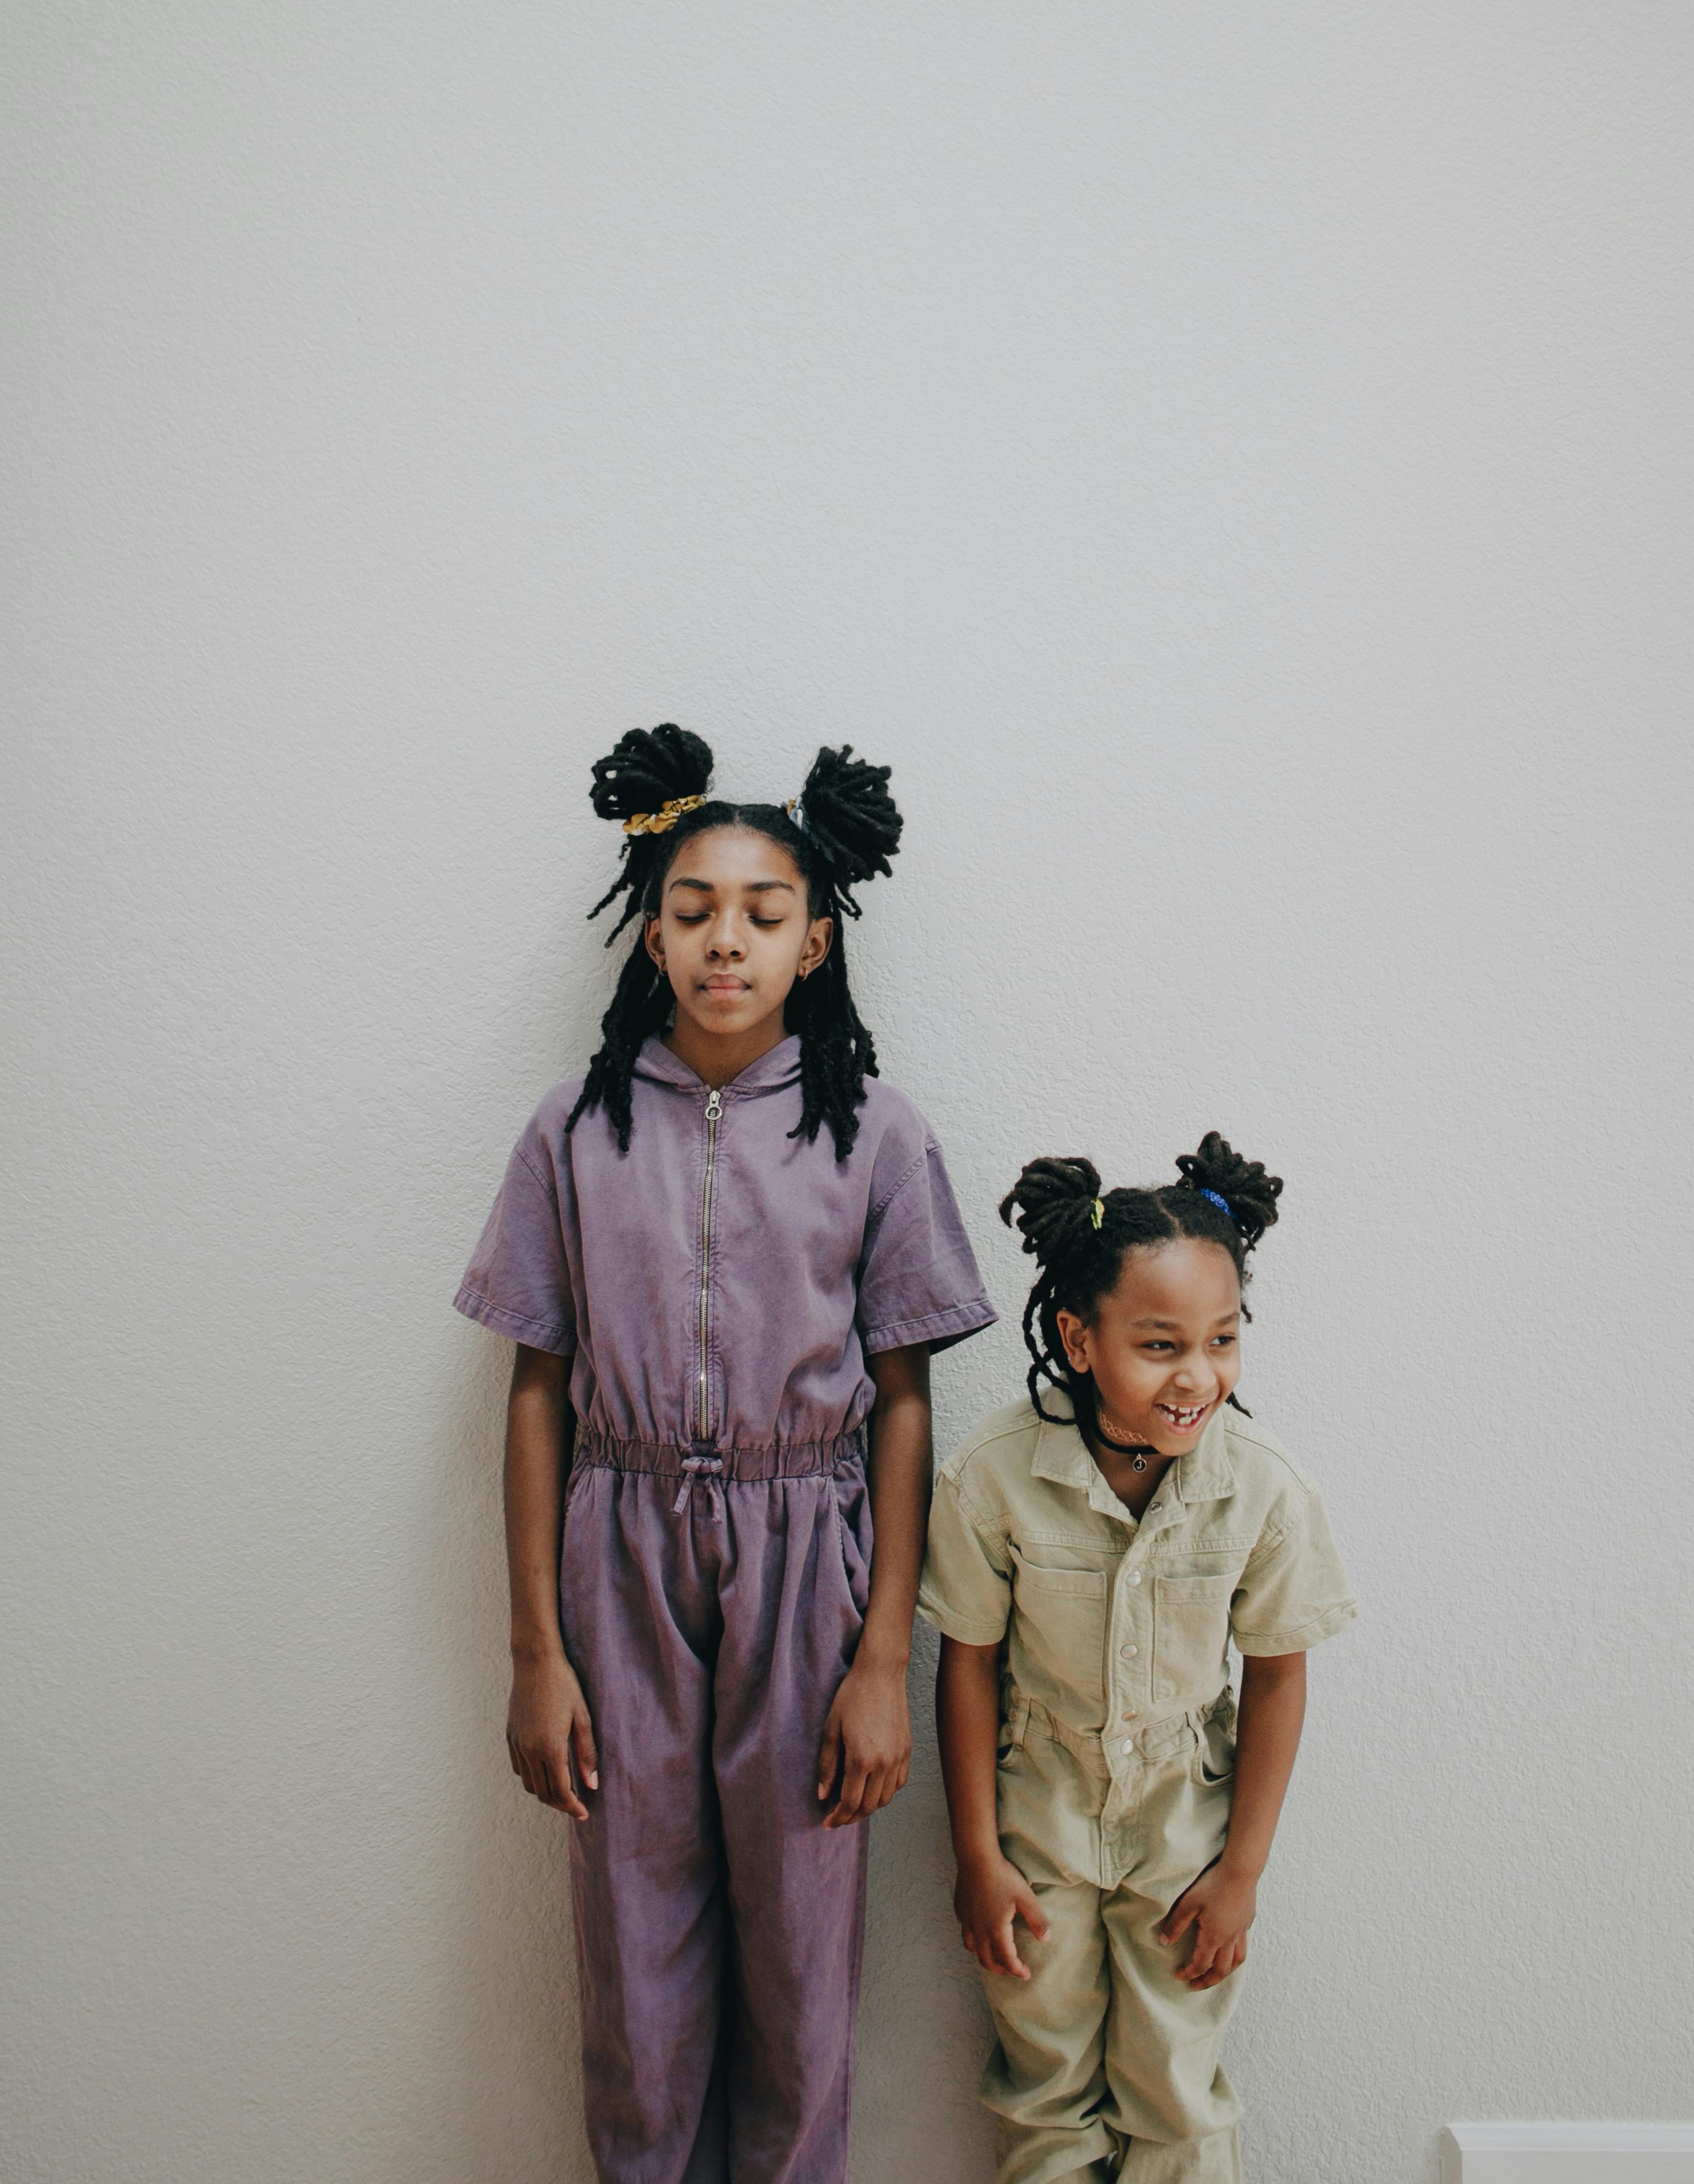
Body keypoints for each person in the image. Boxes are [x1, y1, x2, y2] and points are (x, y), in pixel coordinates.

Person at [455, 722, 995, 2184]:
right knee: (635, 1956)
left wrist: (884, 1656)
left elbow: (904, 1402)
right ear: (649, 930)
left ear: (816, 941)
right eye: (693, 909)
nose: (725, 941)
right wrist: (534, 1649)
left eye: (763, 913)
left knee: (803, 1958)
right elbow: (534, 1388)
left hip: (809, 1566)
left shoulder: (876, 1133)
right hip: (614, 1557)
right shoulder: (574, 1128)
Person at [919, 1138, 1356, 2184]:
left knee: (1176, 2089)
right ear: (1078, 1337)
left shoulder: (1263, 1487)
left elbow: (1279, 1673)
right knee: (1046, 2088)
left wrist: (1240, 1870)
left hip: (1185, 1833)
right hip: (1039, 1822)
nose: (1196, 1374)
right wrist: (976, 1857)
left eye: (1221, 1338)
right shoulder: (992, 1476)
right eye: (1160, 1344)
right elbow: (965, 1666)